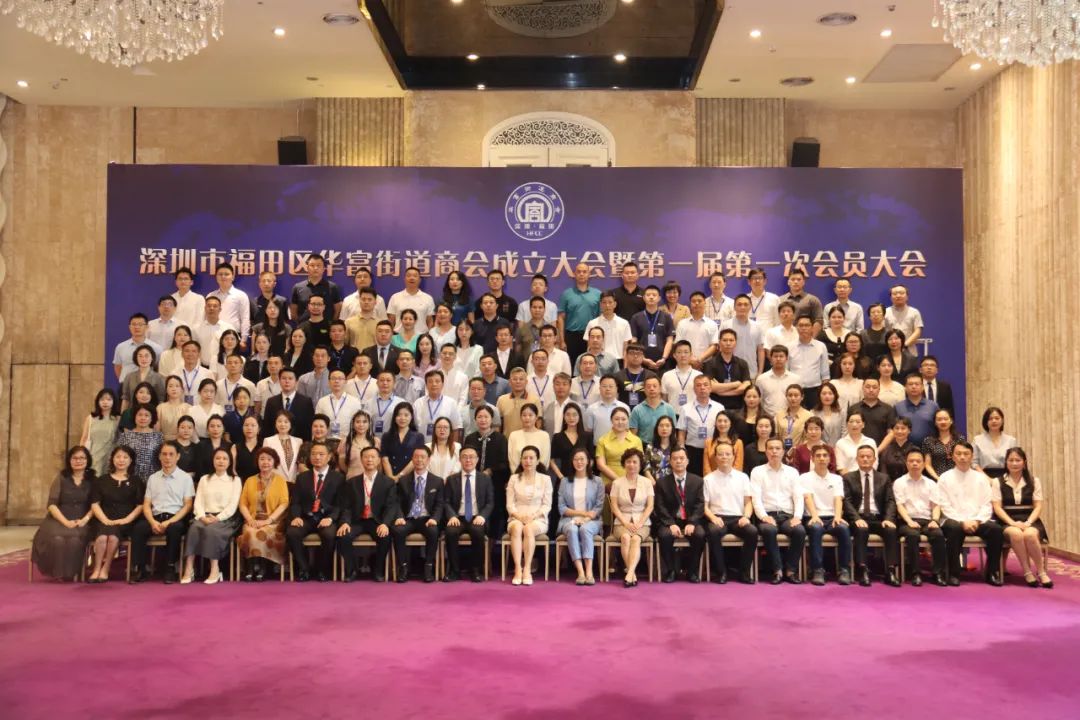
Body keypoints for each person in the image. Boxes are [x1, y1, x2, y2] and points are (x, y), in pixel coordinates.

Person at [937, 441, 1004, 586]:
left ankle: (992, 572)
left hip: (977, 520)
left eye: (966, 454)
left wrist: (977, 520)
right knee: (954, 529)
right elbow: (944, 505)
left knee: (996, 530)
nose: (962, 457)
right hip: (953, 519)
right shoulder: (944, 478)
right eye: (958, 454)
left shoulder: (981, 478)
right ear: (952, 456)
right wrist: (962, 521)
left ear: (972, 456)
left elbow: (987, 504)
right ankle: (954, 574)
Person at [129, 442, 195, 584]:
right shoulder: (153, 478)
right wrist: (152, 522)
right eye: (164, 454)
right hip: (155, 517)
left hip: (175, 517)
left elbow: (188, 505)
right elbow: (147, 504)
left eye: (171, 454)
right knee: (138, 529)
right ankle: (141, 568)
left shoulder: (185, 478)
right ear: (159, 457)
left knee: (175, 529)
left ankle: (170, 568)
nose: (167, 458)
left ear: (178, 456)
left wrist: (169, 521)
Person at [31, 446, 95, 580]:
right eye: (74, 458)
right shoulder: (61, 478)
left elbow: (96, 505)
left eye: (82, 458)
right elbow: (51, 504)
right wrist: (65, 522)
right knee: (57, 539)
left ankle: (71, 573)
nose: (78, 461)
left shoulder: (93, 479)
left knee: (74, 540)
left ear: (87, 460)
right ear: (69, 460)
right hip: (58, 519)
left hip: (82, 520)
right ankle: (58, 573)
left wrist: (85, 519)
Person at [993, 447, 1052, 588]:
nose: (1014, 463)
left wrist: (1028, 522)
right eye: (1011, 460)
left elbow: (1038, 506)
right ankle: (1027, 571)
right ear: (1006, 462)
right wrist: (1012, 523)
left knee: (1030, 534)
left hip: (1029, 518)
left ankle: (1041, 572)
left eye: (1018, 460)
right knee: (1016, 533)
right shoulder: (997, 481)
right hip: (1007, 520)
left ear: (1024, 462)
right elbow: (997, 507)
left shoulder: (1034, 481)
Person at [180, 447, 241, 584]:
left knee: (212, 530)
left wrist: (218, 518)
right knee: (194, 528)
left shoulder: (235, 480)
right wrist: (202, 517)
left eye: (225, 458)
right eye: (218, 458)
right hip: (204, 516)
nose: (221, 461)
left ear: (230, 462)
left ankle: (215, 569)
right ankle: (189, 569)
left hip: (225, 518)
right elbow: (198, 502)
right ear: (213, 460)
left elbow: (233, 505)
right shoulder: (204, 479)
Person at [336, 445, 396, 583]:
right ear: (361, 460)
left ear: (379, 460)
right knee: (343, 536)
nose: (369, 460)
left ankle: (378, 570)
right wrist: (345, 522)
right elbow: (346, 507)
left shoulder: (388, 482)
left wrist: (385, 524)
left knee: (385, 536)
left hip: (376, 521)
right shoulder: (352, 482)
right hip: (357, 520)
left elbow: (391, 506)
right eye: (366, 457)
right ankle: (352, 570)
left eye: (373, 457)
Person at [286, 441, 345, 582]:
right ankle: (304, 569)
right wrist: (296, 517)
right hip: (307, 517)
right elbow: (295, 502)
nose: (317, 457)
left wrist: (331, 518)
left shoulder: (338, 478)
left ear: (329, 457)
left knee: (329, 535)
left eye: (321, 454)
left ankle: (322, 569)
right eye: (313, 454)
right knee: (292, 532)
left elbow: (340, 504)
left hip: (326, 517)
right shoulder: (302, 477)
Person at [842, 445, 900, 587]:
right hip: (858, 517)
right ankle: (863, 570)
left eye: (868, 456)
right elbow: (846, 502)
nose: (865, 459)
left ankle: (890, 571)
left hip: (878, 518)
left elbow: (890, 501)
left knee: (891, 530)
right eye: (862, 456)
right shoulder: (848, 478)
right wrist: (856, 518)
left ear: (874, 459)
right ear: (857, 459)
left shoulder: (884, 478)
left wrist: (888, 519)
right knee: (861, 530)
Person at [750, 438, 806, 584]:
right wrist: (763, 516)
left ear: (783, 451)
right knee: (769, 530)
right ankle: (777, 570)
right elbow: (756, 498)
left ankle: (791, 570)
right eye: (771, 448)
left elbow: (798, 497)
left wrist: (797, 517)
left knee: (799, 531)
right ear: (766, 451)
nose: (774, 451)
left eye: (777, 448)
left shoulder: (792, 472)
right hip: (767, 515)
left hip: (787, 516)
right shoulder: (757, 471)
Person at [702, 441, 758, 584]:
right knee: (713, 532)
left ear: (733, 457)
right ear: (715, 457)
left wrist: (746, 517)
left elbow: (748, 502)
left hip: (738, 518)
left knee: (752, 532)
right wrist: (713, 518)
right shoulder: (708, 479)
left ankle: (744, 572)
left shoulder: (743, 477)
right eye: (720, 454)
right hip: (717, 517)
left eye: (728, 454)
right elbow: (704, 506)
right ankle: (721, 572)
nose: (724, 457)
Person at [86, 446, 143, 583]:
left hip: (125, 521)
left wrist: (127, 519)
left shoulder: (136, 481)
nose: (121, 460)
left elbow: (140, 505)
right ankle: (96, 569)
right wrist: (104, 519)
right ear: (112, 459)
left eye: (125, 457)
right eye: (118, 457)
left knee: (112, 537)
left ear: (131, 461)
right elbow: (95, 504)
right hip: (103, 519)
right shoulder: (102, 480)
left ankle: (106, 569)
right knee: (101, 537)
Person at [893, 447, 948, 586]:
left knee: (938, 534)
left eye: (918, 461)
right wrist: (909, 521)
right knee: (912, 535)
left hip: (927, 520)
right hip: (907, 520)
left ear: (923, 464)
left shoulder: (931, 483)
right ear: (906, 463)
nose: (915, 464)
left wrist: (935, 520)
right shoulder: (899, 482)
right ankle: (915, 573)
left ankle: (938, 573)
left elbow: (936, 505)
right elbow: (900, 506)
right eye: (911, 461)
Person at [801, 444, 852, 586]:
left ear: (830, 459)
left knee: (843, 529)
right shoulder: (805, 477)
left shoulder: (836, 479)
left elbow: (838, 498)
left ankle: (844, 570)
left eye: (825, 456)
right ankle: (817, 570)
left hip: (832, 517)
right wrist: (814, 515)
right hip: (812, 517)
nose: (822, 458)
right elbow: (808, 497)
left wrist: (838, 516)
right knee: (816, 528)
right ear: (812, 459)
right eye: (818, 456)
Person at [391, 446, 444, 583]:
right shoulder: (403, 480)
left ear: (428, 460)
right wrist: (399, 517)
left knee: (433, 531)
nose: (419, 460)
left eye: (422, 457)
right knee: (397, 531)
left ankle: (428, 567)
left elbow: (440, 504)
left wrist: (434, 519)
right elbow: (397, 502)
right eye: (416, 457)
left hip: (427, 518)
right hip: (408, 518)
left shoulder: (437, 481)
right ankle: (403, 567)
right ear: (412, 459)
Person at [441, 445, 493, 582]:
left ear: (477, 459)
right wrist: (452, 515)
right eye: (464, 457)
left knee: (478, 532)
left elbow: (490, 502)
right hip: (458, 517)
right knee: (450, 532)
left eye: (471, 457)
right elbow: (446, 501)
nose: (468, 460)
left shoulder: (485, 479)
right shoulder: (452, 479)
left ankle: (475, 570)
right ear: (460, 459)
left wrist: (482, 516)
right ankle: (454, 571)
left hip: (477, 517)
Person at [237, 446, 290, 581]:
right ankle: (250, 566)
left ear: (274, 462)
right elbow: (242, 504)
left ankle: (262, 566)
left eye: (269, 459)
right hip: (253, 519)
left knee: (263, 532)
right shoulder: (250, 480)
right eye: (262, 459)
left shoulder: (280, 481)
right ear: (257, 461)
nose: (265, 462)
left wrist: (268, 520)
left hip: (273, 521)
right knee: (250, 532)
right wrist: (249, 519)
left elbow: (284, 503)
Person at [654, 446, 705, 583]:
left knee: (700, 534)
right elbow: (659, 506)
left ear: (687, 461)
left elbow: (700, 504)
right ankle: (670, 571)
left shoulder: (698, 481)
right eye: (675, 459)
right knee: (664, 535)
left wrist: (692, 522)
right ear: (670, 462)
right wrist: (670, 524)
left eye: (682, 458)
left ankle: (692, 571)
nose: (678, 461)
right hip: (670, 520)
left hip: (690, 519)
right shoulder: (661, 482)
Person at [557, 447, 605, 585]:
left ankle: (589, 571)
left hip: (592, 520)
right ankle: (580, 571)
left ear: (589, 461)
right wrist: (582, 514)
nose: (579, 462)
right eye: (576, 459)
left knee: (585, 529)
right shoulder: (565, 481)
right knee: (572, 529)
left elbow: (599, 506)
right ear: (572, 462)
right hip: (569, 519)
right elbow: (562, 508)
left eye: (582, 459)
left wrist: (587, 518)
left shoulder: (597, 481)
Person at [463, 406, 511, 538]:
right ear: (475, 420)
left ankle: (492, 547)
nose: (483, 420)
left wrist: (490, 471)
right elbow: (465, 459)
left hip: (495, 483)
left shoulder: (501, 439)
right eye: (479, 417)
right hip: (473, 483)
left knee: (495, 515)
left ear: (492, 419)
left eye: (486, 417)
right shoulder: (470, 438)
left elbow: (505, 463)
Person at [609, 448, 653, 588]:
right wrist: (625, 522)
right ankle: (631, 574)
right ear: (624, 464)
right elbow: (614, 506)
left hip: (643, 522)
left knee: (635, 539)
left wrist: (640, 522)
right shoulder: (617, 483)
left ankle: (629, 573)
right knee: (626, 537)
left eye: (635, 462)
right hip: (621, 522)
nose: (631, 465)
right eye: (628, 462)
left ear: (640, 465)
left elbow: (650, 506)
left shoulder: (647, 482)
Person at [676, 374, 724, 475]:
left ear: (710, 388)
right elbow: (681, 432)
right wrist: (682, 449)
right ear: (694, 389)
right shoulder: (685, 408)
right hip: (692, 451)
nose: (702, 388)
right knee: (694, 479)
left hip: (713, 450)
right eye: (698, 385)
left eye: (705, 385)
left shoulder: (719, 408)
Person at [260, 368, 314, 441]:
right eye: (284, 378)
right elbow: (267, 427)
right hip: (276, 443)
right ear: (279, 381)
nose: (287, 381)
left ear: (296, 382)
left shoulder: (306, 402)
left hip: (299, 442)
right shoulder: (271, 402)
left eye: (290, 378)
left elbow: (308, 427)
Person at [629, 285, 675, 372]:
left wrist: (664, 358)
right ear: (644, 298)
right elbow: (634, 340)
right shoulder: (636, 317)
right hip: (641, 362)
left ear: (659, 298)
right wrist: (643, 359)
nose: (651, 297)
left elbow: (670, 340)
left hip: (663, 363)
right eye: (648, 295)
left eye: (654, 295)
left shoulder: (666, 317)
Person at [703, 328, 751, 411]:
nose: (728, 343)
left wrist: (721, 391)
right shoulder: (710, 364)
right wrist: (736, 384)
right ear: (719, 342)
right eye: (725, 340)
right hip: (716, 409)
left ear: (736, 342)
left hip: (738, 408)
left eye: (731, 340)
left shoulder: (742, 363)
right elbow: (711, 387)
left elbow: (746, 387)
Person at [290, 253, 343, 322]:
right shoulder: (298, 287)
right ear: (307, 268)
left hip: (327, 327)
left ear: (323, 269)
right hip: (303, 327)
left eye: (318, 265)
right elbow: (293, 312)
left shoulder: (332, 287)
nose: (315, 268)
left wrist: (331, 324)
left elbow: (337, 310)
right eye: (312, 265)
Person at [315, 369, 365, 440]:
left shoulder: (355, 402)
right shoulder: (322, 401)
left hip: (347, 441)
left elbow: (359, 423)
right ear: (329, 382)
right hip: (326, 440)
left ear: (345, 381)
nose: (336, 381)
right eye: (333, 378)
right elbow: (316, 423)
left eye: (340, 378)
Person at [380, 402, 426, 480]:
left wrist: (399, 476)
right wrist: (391, 477)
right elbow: (384, 458)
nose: (402, 418)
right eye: (399, 415)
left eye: (406, 415)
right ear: (394, 417)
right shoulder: (386, 436)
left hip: (409, 478)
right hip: (388, 478)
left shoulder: (418, 437)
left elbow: (415, 459)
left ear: (411, 417)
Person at [117, 404, 164, 480]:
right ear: (134, 417)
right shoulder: (125, 436)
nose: (143, 418)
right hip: (130, 477)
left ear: (152, 418)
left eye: (146, 415)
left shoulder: (158, 436)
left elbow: (161, 458)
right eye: (140, 415)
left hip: (153, 477)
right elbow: (119, 457)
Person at [724, 294, 765, 379]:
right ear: (734, 307)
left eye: (746, 304)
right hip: (729, 373)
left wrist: (760, 372)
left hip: (752, 373)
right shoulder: (726, 325)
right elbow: (721, 349)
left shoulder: (757, 326)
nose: (742, 307)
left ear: (750, 307)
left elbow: (760, 350)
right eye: (739, 304)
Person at [113, 313, 163, 382]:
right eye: (134, 324)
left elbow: (158, 368)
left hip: (148, 385)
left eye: (140, 324)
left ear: (147, 327)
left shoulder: (156, 348)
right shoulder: (121, 347)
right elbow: (118, 367)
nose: (137, 327)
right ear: (129, 327)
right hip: (126, 384)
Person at [550, 402, 593, 483]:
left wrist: (585, 474)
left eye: (574, 415)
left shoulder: (587, 436)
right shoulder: (557, 437)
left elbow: (591, 459)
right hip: (564, 478)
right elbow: (551, 461)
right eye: (568, 415)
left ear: (579, 416)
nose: (571, 418)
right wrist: (561, 477)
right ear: (564, 417)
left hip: (583, 478)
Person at [81, 388, 120, 475]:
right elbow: (84, 438)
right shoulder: (90, 418)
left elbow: (119, 439)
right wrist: (82, 456)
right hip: (92, 456)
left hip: (109, 457)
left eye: (109, 399)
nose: (105, 402)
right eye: (102, 399)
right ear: (98, 401)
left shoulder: (117, 419)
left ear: (114, 401)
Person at [674, 292, 718, 369]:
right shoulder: (682, 323)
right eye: (693, 301)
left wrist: (700, 359)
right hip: (686, 363)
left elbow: (714, 346)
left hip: (706, 364)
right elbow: (678, 344)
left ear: (705, 303)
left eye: (699, 301)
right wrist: (690, 360)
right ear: (690, 304)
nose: (696, 303)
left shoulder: (712, 324)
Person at [586, 292, 633, 364]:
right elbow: (589, 347)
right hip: (598, 360)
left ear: (615, 304)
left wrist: (625, 368)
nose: (607, 305)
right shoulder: (592, 323)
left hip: (618, 360)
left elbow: (625, 349)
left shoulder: (624, 323)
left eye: (610, 302)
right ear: (600, 304)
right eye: (604, 302)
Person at [892, 374, 938, 446]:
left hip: (929, 449)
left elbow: (939, 428)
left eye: (917, 384)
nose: (913, 387)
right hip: (904, 449)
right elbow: (892, 430)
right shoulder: (898, 407)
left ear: (922, 387)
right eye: (910, 384)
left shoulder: (933, 406)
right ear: (905, 387)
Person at [629, 375, 675, 446]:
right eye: (648, 386)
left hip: (664, 446)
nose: (652, 389)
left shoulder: (669, 409)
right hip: (643, 446)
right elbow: (633, 435)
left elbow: (673, 432)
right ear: (644, 389)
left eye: (655, 386)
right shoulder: (637, 410)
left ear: (660, 388)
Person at [847, 378, 897, 444]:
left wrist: (878, 449)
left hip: (881, 448)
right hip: (857, 447)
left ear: (879, 390)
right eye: (868, 387)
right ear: (862, 389)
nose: (871, 390)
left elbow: (891, 433)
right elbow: (849, 430)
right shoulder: (853, 408)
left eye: (874, 387)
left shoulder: (888, 409)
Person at [387, 266, 435, 333]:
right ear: (404, 279)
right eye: (408, 276)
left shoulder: (428, 298)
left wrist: (427, 336)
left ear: (419, 280)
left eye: (415, 276)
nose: (412, 278)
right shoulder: (395, 297)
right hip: (399, 336)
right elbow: (391, 321)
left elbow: (430, 321)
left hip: (421, 336)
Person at [972, 406, 1016, 478]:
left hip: (1006, 477)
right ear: (986, 422)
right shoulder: (977, 440)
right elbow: (974, 463)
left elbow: (1014, 462)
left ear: (1002, 421)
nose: (994, 421)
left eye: (997, 418)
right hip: (983, 477)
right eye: (990, 419)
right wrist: (986, 478)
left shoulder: (1011, 440)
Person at [755, 345, 798, 418]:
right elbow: (759, 401)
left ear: (786, 358)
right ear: (770, 359)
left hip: (789, 418)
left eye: (781, 356)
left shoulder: (795, 379)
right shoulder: (761, 379)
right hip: (768, 418)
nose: (778, 359)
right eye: (775, 356)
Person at [922, 408, 965, 480]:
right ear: (935, 423)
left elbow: (963, 460)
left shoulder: (959, 439)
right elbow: (927, 464)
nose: (943, 422)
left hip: (957, 479)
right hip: (936, 480)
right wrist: (938, 479)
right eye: (939, 419)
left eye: (945, 419)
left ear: (951, 421)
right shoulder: (928, 441)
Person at [120, 344, 166, 410]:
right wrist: (123, 414)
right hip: (132, 412)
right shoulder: (129, 377)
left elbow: (161, 400)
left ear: (152, 358)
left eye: (146, 356)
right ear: (136, 358)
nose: (143, 359)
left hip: (151, 413)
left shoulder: (159, 377)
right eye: (140, 356)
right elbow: (126, 399)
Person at [507, 403, 551, 471]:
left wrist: (535, 475)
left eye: (530, 415)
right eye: (524, 415)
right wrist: (519, 474)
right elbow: (512, 460)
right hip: (518, 474)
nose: (527, 418)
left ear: (536, 417)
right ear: (520, 417)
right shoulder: (513, 435)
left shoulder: (544, 436)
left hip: (539, 475)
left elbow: (545, 460)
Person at [583, 374, 629, 439]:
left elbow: (627, 429)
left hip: (620, 444)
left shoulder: (624, 408)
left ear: (616, 389)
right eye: (604, 386)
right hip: (598, 444)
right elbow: (588, 431)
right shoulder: (591, 409)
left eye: (611, 386)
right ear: (599, 389)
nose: (608, 389)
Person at [262, 410, 303, 483]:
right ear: (275, 423)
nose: (282, 424)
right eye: (279, 421)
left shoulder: (299, 441)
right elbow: (265, 465)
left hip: (294, 482)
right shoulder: (268, 441)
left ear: (291, 424)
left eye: (286, 422)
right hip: (275, 482)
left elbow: (299, 464)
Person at [193, 297, 235, 368]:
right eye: (209, 306)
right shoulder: (196, 329)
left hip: (223, 366)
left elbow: (235, 347)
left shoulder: (228, 328)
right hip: (203, 366)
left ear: (220, 309)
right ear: (205, 308)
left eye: (215, 306)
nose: (211, 308)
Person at [614, 343, 657, 411]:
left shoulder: (651, 376)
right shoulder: (618, 376)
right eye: (632, 353)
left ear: (643, 356)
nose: (635, 356)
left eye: (639, 353)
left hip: (646, 412)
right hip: (623, 413)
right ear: (626, 355)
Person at [884, 284, 923, 355]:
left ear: (907, 296)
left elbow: (918, 331)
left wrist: (904, 345)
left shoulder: (914, 312)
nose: (898, 296)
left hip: (910, 352)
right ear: (891, 297)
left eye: (901, 293)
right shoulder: (885, 312)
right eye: (895, 294)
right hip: (890, 352)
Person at [775, 384, 812, 455]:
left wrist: (797, 449)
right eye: (790, 395)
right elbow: (776, 436)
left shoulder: (808, 416)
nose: (793, 398)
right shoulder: (779, 415)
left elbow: (810, 438)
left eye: (796, 395)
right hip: (781, 453)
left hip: (801, 453)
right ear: (786, 397)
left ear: (802, 397)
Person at [195, 415, 233, 482]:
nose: (215, 429)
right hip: (206, 481)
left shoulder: (229, 446)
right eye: (212, 426)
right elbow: (199, 468)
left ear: (223, 429)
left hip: (225, 481)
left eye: (218, 426)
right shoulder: (200, 445)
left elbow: (230, 467)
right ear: (207, 429)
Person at [339, 410, 376, 478]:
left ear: (369, 424)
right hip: (352, 479)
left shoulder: (376, 441)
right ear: (353, 424)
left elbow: (379, 464)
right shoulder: (346, 441)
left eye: (364, 422)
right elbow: (342, 464)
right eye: (358, 422)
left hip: (371, 480)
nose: (361, 425)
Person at [344, 288, 380, 352]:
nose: (366, 302)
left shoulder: (380, 323)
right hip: (355, 357)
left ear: (375, 302)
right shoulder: (349, 322)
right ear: (359, 301)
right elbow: (345, 343)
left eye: (369, 299)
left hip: (374, 357)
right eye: (363, 299)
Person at [643, 415, 677, 481]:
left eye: (667, 426)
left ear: (672, 428)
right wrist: (650, 479)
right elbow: (646, 466)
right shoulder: (650, 447)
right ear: (657, 428)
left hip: (672, 482)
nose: (664, 428)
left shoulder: (677, 447)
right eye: (661, 426)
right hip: (653, 481)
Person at [811, 381, 845, 446]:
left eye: (830, 393)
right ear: (819, 396)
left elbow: (844, 432)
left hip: (838, 448)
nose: (827, 396)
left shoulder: (841, 412)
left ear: (835, 396)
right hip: (819, 448)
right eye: (824, 393)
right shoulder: (813, 413)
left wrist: (839, 447)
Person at [231, 415, 262, 481]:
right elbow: (232, 469)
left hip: (260, 482)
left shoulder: (264, 446)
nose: (249, 428)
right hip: (240, 483)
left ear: (259, 429)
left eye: (253, 425)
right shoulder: (235, 447)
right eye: (246, 425)